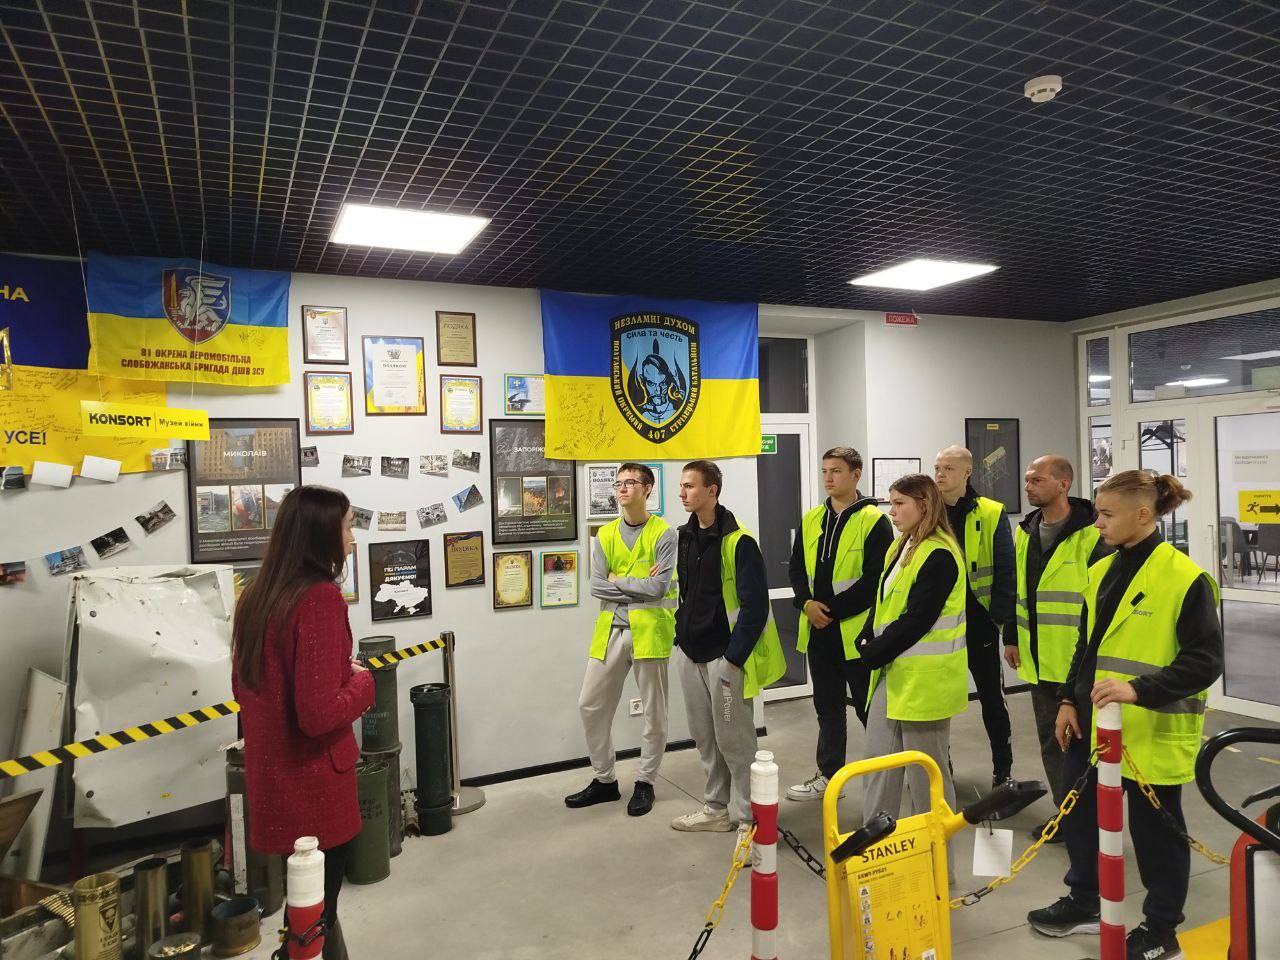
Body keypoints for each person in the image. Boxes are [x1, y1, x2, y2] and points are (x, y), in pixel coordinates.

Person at [1028, 471, 1222, 960]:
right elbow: (1087, 646)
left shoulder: (1184, 578)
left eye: (1107, 514)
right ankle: (1085, 899)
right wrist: (1068, 700)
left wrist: (1138, 690)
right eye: (1097, 512)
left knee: (1156, 834)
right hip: (1094, 725)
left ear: (1143, 514)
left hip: (1152, 729)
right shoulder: (1101, 569)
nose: (1097, 523)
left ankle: (1161, 930)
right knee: (1078, 814)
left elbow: (1205, 661)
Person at [231, 485, 373, 960]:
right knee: (314, 920)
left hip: (274, 781)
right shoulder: (318, 599)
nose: (352, 538)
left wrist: (336, 673)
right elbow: (317, 715)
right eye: (348, 526)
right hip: (315, 786)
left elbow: (247, 688)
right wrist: (362, 683)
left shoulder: (256, 596)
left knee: (307, 914)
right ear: (321, 534)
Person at [669, 460, 786, 857]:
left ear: (712, 490)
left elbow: (755, 608)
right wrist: (680, 637)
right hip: (690, 654)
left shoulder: (740, 542)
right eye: (682, 486)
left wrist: (733, 659)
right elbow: (687, 594)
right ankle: (716, 810)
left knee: (735, 742)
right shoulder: (685, 537)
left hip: (724, 660)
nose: (682, 493)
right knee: (705, 738)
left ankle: (754, 822)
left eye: (689, 486)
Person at [857, 474, 967, 875]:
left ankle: (939, 870)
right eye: (891, 502)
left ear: (924, 505)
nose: (892, 511)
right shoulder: (901, 546)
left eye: (900, 503)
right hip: (894, 674)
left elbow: (919, 618)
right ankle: (875, 859)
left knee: (928, 781)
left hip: (925, 684)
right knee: (878, 769)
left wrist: (873, 652)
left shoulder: (940, 554)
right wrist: (866, 635)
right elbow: (883, 601)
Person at [1005, 455, 1112, 842]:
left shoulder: (1092, 533)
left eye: (1037, 480)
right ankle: (1066, 817)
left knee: (1085, 747)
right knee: (1053, 744)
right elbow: (1017, 588)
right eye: (1027, 479)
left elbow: (1103, 601)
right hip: (1037, 661)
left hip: (1078, 663)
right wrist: (1010, 637)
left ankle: (1090, 821)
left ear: (1063, 484)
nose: (1028, 486)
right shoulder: (1026, 531)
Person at [565, 463, 677, 817]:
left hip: (651, 632)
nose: (622, 489)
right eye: (618, 483)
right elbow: (597, 586)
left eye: (630, 482)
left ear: (648, 489)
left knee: (654, 714)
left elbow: (658, 588)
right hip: (611, 631)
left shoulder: (664, 534)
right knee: (590, 705)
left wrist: (618, 581)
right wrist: (637, 584)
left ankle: (646, 782)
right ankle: (605, 781)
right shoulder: (605, 534)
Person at [785, 446, 893, 801]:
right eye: (824, 471)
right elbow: (796, 568)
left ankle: (888, 774)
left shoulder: (874, 521)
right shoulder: (812, 518)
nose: (828, 478)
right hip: (819, 634)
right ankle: (829, 776)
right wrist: (805, 604)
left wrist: (828, 610)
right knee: (827, 709)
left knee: (869, 710)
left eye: (836, 471)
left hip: (857, 635)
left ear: (855, 474)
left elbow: (874, 581)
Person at [934, 444, 1015, 786]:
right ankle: (940, 769)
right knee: (937, 702)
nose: (940, 474)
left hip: (979, 621)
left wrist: (998, 621)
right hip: (937, 624)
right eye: (937, 468)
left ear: (967, 472)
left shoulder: (992, 512)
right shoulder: (927, 511)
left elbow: (1007, 571)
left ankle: (1003, 771)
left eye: (948, 468)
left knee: (992, 698)